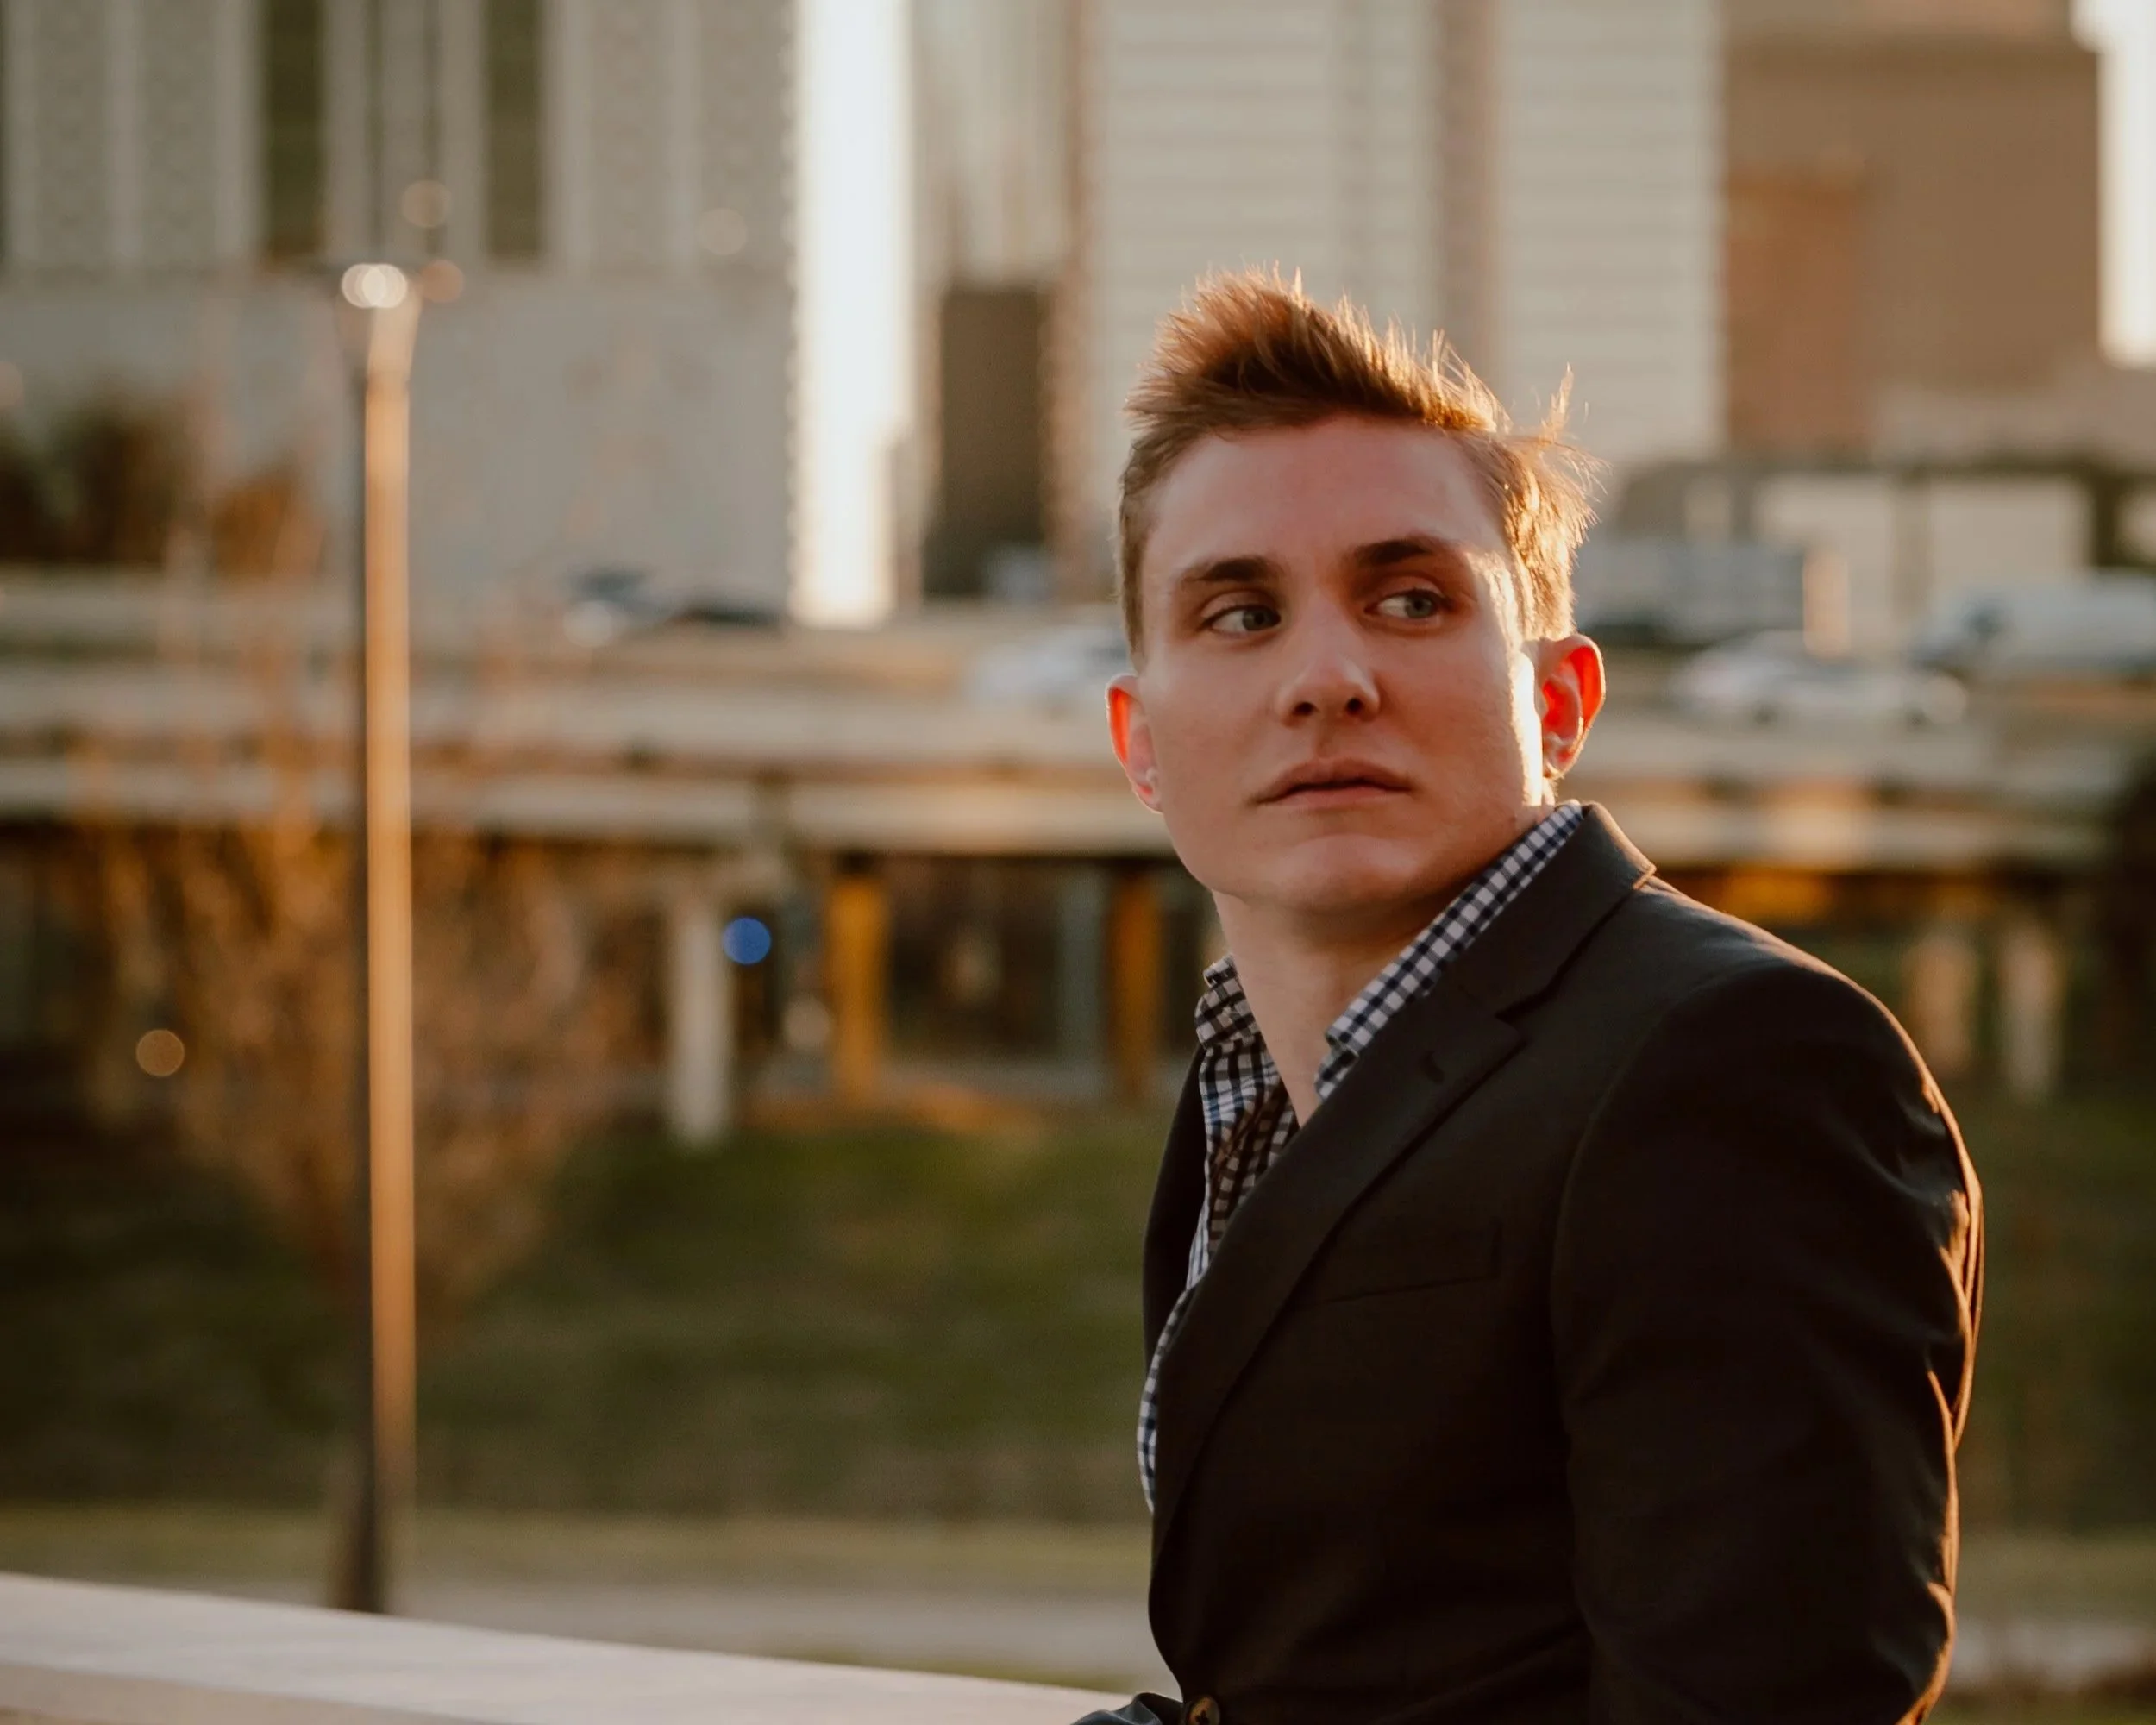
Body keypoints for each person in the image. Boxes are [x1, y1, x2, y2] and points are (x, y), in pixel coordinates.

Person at [1077, 273, 1982, 1725]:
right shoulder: (1252, 1081)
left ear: (1559, 704)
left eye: (1413, 598)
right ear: (1141, 743)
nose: (1327, 676)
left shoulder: (1737, 1062)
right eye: (1240, 613)